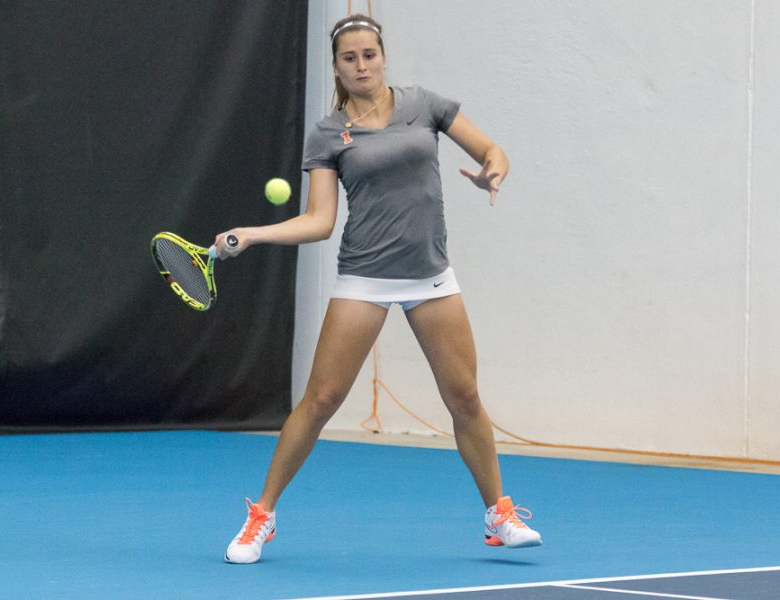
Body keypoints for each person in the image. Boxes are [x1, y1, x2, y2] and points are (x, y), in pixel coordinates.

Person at [215, 13, 542, 564]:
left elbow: (492, 151)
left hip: (432, 277)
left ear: (383, 56)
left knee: (464, 397)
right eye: (349, 58)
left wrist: (492, 170)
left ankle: (499, 515)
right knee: (320, 401)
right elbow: (320, 221)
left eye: (369, 54)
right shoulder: (327, 133)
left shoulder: (426, 105)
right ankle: (261, 517)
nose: (361, 65)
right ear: (337, 66)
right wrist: (253, 234)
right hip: (364, 276)